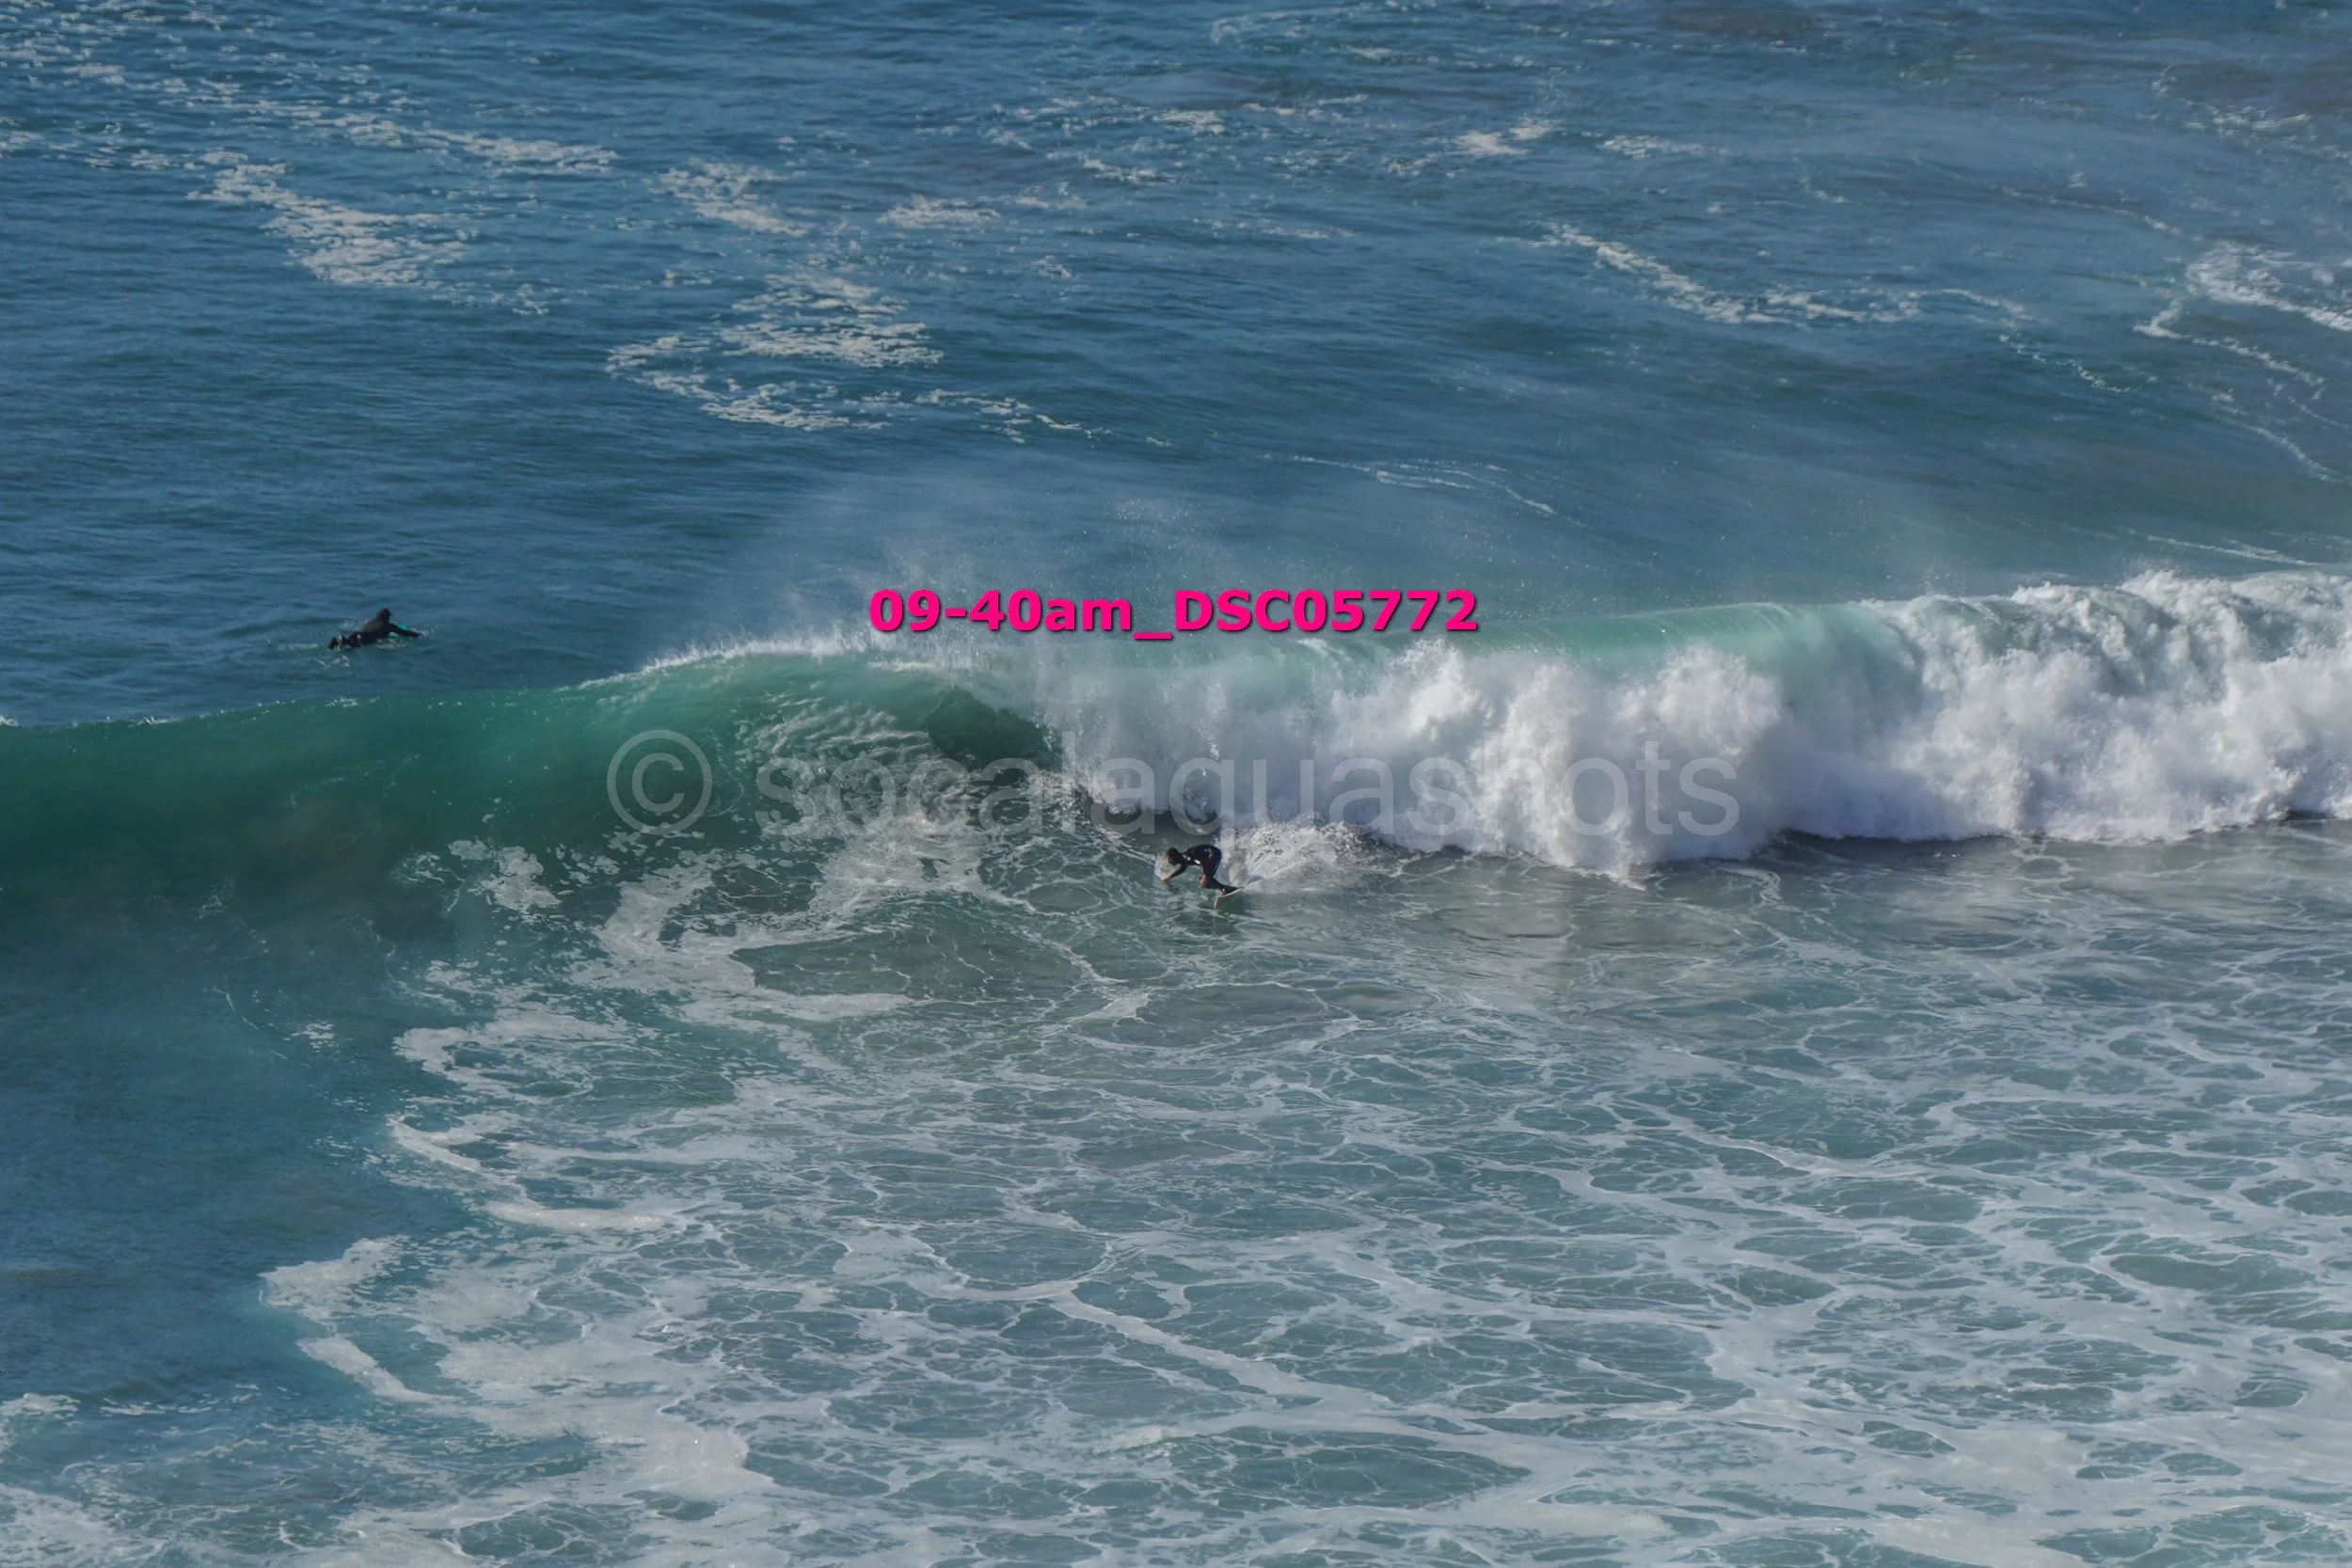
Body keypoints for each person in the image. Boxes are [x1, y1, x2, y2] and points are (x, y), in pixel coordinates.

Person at [1161, 843, 1237, 895]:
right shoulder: (1183, 859)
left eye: (1169, 859)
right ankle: (1226, 889)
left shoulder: (1187, 857)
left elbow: (1201, 863)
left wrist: (1204, 875)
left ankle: (1225, 889)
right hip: (1213, 854)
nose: (1169, 861)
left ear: (1173, 857)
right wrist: (1170, 876)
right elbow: (1182, 868)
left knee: (1204, 881)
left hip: (1213, 854)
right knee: (1205, 881)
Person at [331, 609, 421, 650]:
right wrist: (418, 635)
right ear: (387, 617)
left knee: (349, 642)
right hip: (365, 639)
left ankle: (337, 641)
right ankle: (343, 641)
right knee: (351, 647)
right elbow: (405, 633)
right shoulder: (388, 626)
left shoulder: (371, 621)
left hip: (357, 634)